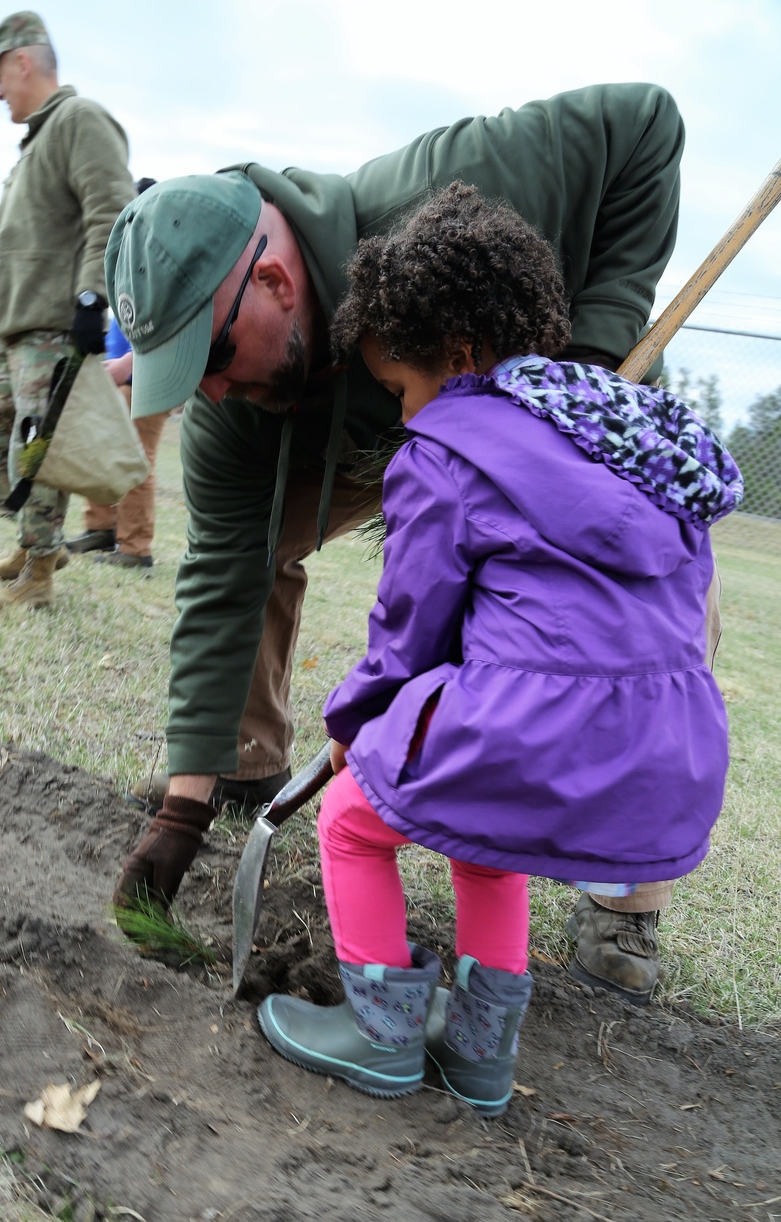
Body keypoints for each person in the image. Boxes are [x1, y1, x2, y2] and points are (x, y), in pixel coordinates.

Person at [106, 83, 695, 1001]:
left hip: (520, 427)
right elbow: (223, 572)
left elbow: (644, 120)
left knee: (629, 586)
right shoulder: (239, 406)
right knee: (249, 554)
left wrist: (590, 354)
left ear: (273, 283)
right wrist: (182, 808)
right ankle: (243, 770)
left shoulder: (463, 185)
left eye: (211, 358)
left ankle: (623, 887)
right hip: (343, 428)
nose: (207, 394)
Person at [254, 185, 737, 1117]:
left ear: (461, 357)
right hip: (667, 742)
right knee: (488, 837)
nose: (403, 413)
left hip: (539, 722)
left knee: (353, 818)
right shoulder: (619, 438)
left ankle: (383, 1035)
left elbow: (410, 630)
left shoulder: (446, 450)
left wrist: (354, 718)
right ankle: (480, 1054)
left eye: (400, 388)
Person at [0, 11, 135, 612]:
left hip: (53, 325)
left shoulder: (80, 120)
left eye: (0, 77)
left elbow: (110, 211)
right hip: (9, 327)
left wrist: (94, 299)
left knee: (35, 449)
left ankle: (38, 577)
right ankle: (38, 541)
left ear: (23, 61)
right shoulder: (37, 137)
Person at [65, 182, 166, 568]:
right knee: (101, 448)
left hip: (148, 377)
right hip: (117, 373)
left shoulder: (161, 263)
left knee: (135, 459)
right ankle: (102, 528)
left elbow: (169, 329)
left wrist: (127, 366)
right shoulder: (128, 257)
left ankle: (135, 548)